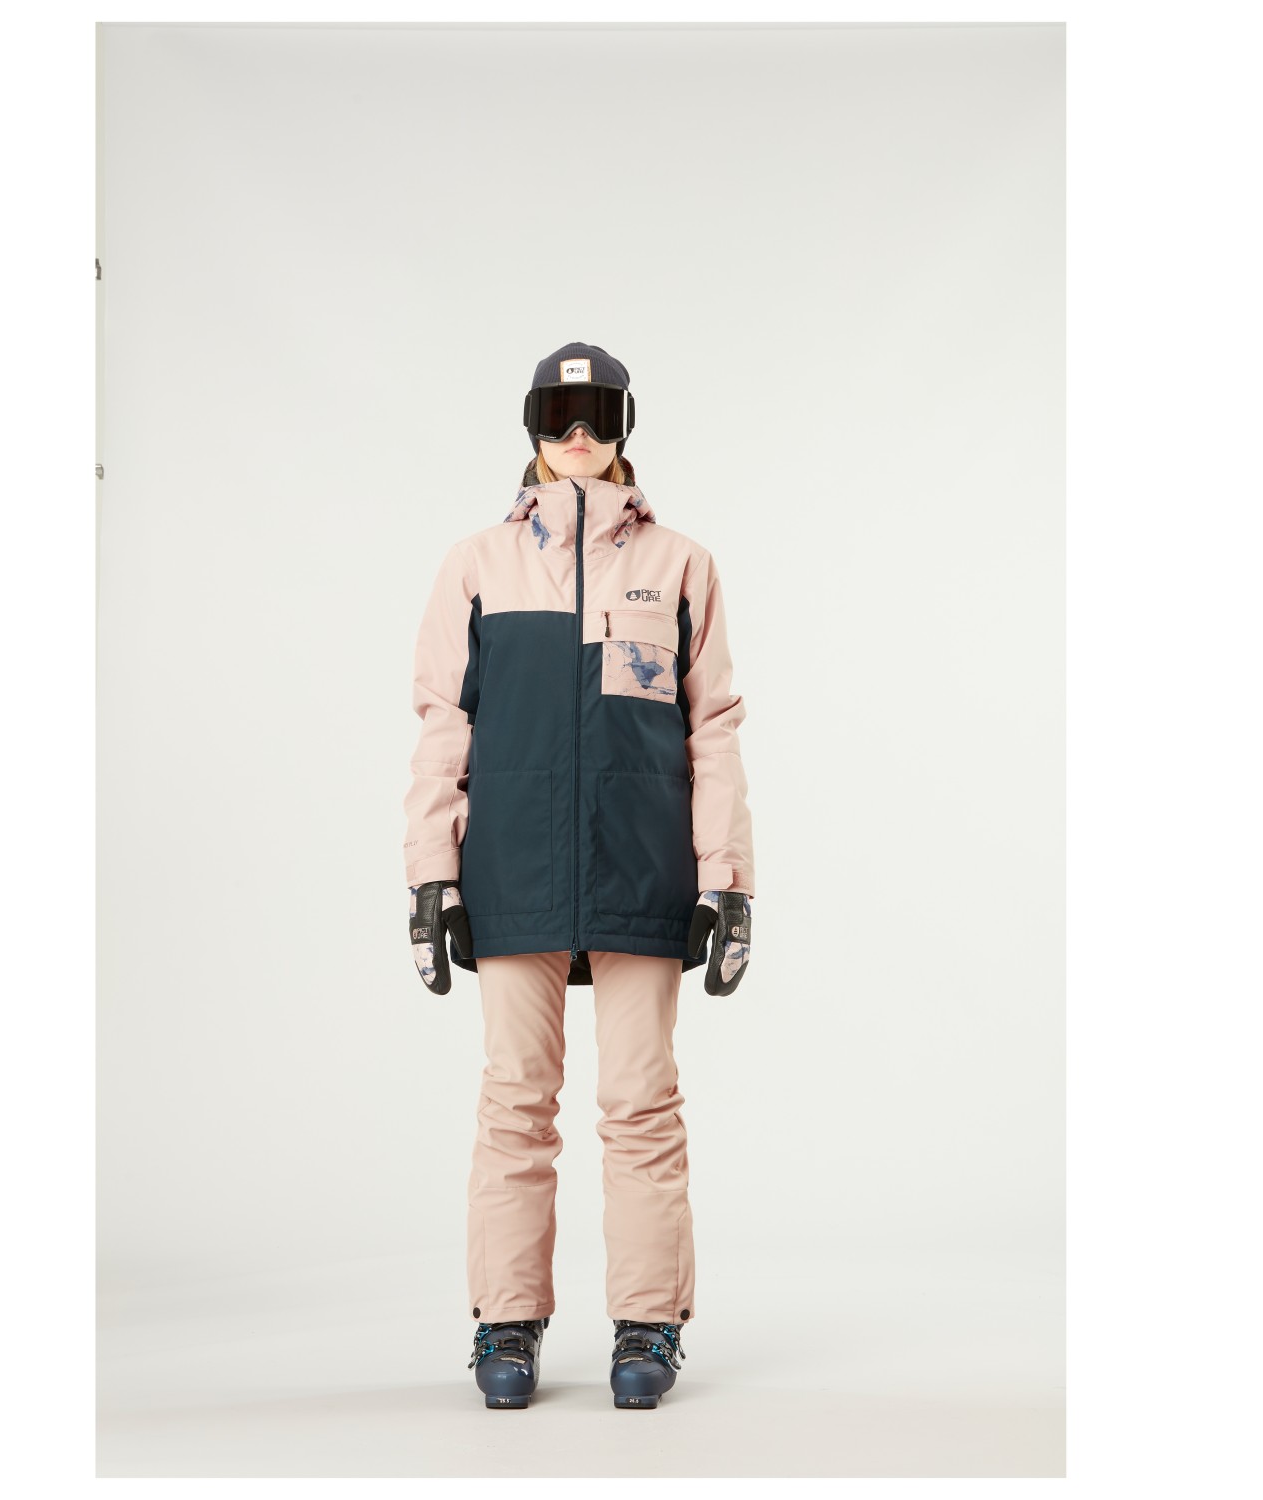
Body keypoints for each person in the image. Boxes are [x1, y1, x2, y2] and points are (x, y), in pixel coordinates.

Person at [402, 341, 755, 1410]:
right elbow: (442, 723)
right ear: (531, 429)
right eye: (558, 418)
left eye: (599, 414)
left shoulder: (683, 565)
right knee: (516, 1103)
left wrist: (727, 880)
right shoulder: (477, 564)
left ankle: (649, 1322)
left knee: (642, 1104)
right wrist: (432, 877)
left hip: (642, 867)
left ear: (625, 426)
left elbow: (714, 728)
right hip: (512, 865)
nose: (579, 436)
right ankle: (506, 1321)